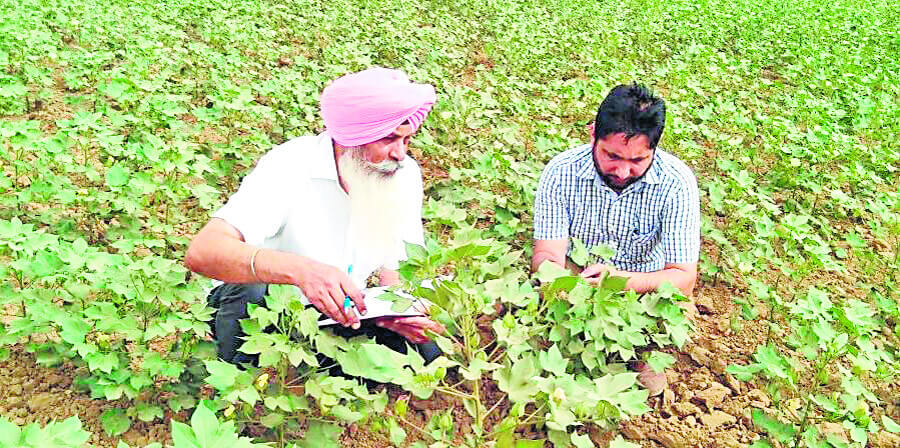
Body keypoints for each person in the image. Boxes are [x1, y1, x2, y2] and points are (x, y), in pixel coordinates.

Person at [185, 67, 445, 368]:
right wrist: (301, 271)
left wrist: (400, 312)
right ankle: (242, 377)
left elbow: (398, 268)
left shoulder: (403, 174)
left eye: (407, 140)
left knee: (425, 355)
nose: (400, 154)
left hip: (337, 314)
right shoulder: (292, 164)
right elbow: (203, 251)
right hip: (265, 310)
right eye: (388, 140)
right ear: (352, 138)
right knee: (250, 291)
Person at [531, 83, 700, 394]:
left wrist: (620, 281)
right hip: (578, 282)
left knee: (648, 384)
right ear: (593, 133)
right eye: (612, 156)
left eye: (637, 161)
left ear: (655, 148)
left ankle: (643, 356)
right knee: (551, 363)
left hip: (645, 290)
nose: (622, 171)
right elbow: (548, 256)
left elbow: (684, 278)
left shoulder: (677, 183)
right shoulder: (560, 172)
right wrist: (562, 284)